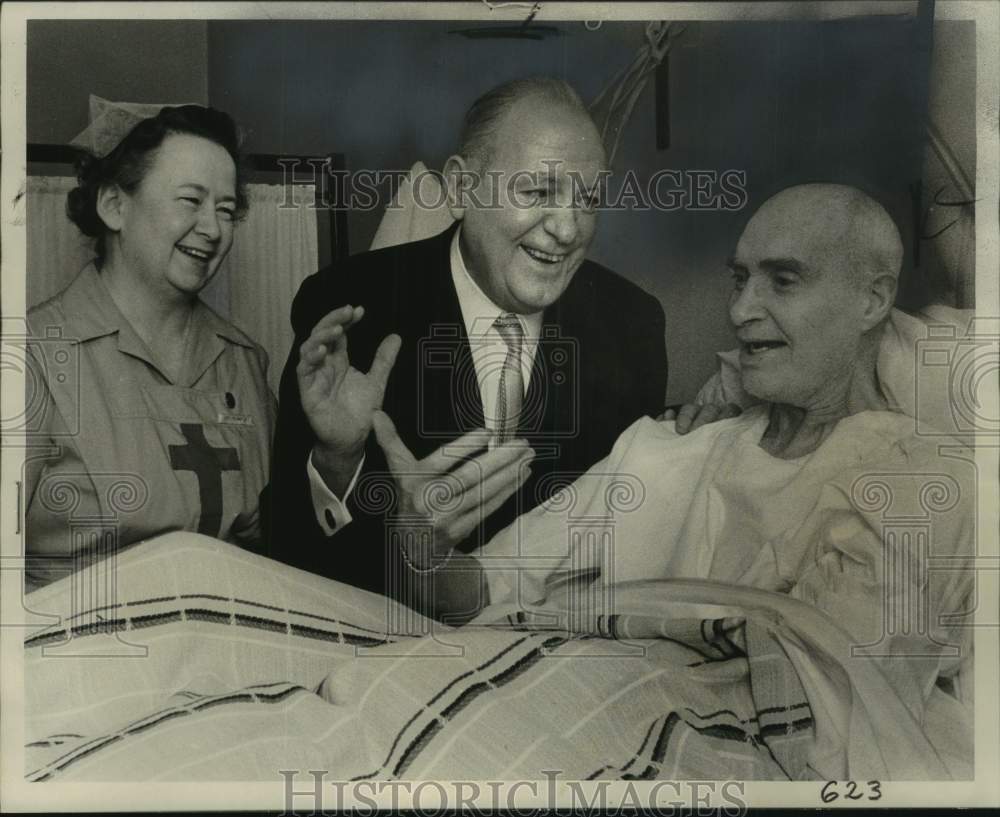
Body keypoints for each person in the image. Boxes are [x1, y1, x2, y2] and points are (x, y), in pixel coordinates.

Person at [401, 182, 974, 717]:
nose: (740, 310)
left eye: (783, 280)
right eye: (739, 279)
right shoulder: (669, 449)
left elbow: (834, 711)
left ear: (873, 300)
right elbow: (475, 592)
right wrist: (419, 542)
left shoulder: (920, 484)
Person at [267, 77, 668, 596]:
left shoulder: (632, 323)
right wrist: (336, 463)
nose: (568, 230)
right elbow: (288, 552)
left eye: (588, 199)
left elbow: (626, 546)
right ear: (460, 190)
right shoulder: (351, 305)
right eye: (536, 191)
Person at [24, 105, 275, 592]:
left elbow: (274, 548)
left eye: (226, 209)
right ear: (114, 206)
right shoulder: (32, 356)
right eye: (191, 201)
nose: (213, 228)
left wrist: (333, 458)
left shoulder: (244, 361)